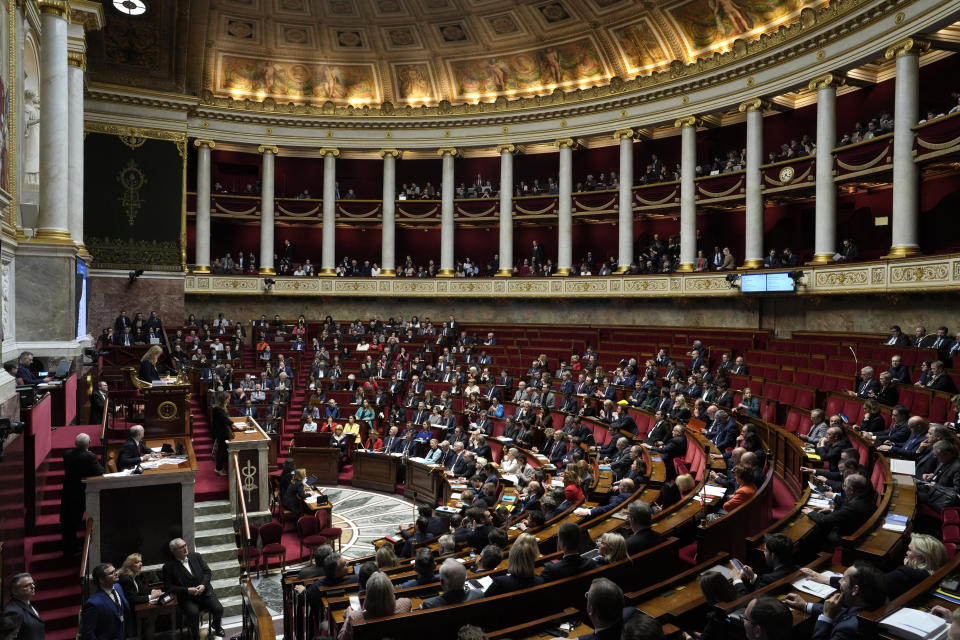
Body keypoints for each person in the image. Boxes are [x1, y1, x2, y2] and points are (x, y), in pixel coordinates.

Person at [800, 533, 945, 600]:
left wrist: (825, 579)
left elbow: (870, 586)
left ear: (920, 557)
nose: (906, 552)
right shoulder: (928, 573)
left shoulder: (906, 574)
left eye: (910, 550)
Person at [783, 562, 886, 640]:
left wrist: (826, 617)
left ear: (855, 590)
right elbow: (842, 611)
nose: (839, 581)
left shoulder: (848, 629)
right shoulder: (871, 602)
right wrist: (805, 605)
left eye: (844, 579)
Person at [162, 538, 225, 640]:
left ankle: (216, 625)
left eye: (185, 545)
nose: (185, 548)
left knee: (219, 609)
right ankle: (195, 635)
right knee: (192, 613)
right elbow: (168, 587)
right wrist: (187, 590)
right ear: (174, 552)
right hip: (188, 598)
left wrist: (203, 585)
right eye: (181, 547)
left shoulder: (196, 556)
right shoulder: (168, 566)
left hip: (205, 593)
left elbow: (207, 572)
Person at [60, 433, 104, 556]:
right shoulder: (90, 457)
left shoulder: (67, 454)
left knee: (68, 521)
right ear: (89, 443)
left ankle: (68, 547)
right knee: (75, 520)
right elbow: (100, 471)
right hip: (82, 492)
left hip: (68, 491)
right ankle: (73, 548)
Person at [338, 572, 411, 640]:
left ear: (368, 594)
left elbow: (341, 638)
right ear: (391, 590)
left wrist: (349, 615)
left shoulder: (354, 617)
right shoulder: (406, 604)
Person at [730, 533, 797, 596]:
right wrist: (753, 577)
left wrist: (737, 580)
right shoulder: (797, 568)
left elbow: (746, 602)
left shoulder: (767, 579)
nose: (764, 553)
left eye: (766, 550)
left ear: (773, 556)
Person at [80, 563, 130, 640]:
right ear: (101, 580)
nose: (116, 573)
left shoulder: (118, 587)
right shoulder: (93, 604)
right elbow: (88, 634)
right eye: (111, 573)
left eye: (115, 571)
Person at [4, 573, 44, 640]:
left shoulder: (26, 603)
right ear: (15, 591)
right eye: (27, 585)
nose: (33, 586)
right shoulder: (13, 612)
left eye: (33, 583)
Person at [212, 391, 240, 476]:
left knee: (223, 451)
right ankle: (218, 469)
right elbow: (224, 419)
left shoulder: (223, 407)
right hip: (220, 433)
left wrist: (232, 426)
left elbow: (226, 418)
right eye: (228, 399)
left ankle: (220, 468)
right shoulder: (217, 408)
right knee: (221, 451)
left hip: (224, 431)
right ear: (224, 399)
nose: (229, 401)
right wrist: (233, 425)